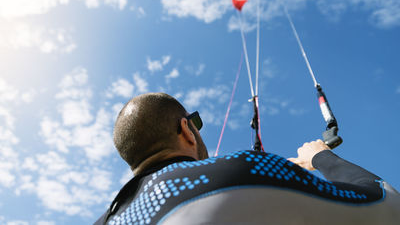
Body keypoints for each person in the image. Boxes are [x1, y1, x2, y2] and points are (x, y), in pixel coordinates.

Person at [95, 93, 400, 225]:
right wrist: (321, 158)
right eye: (195, 123)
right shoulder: (250, 169)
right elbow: (388, 207)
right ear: (187, 130)